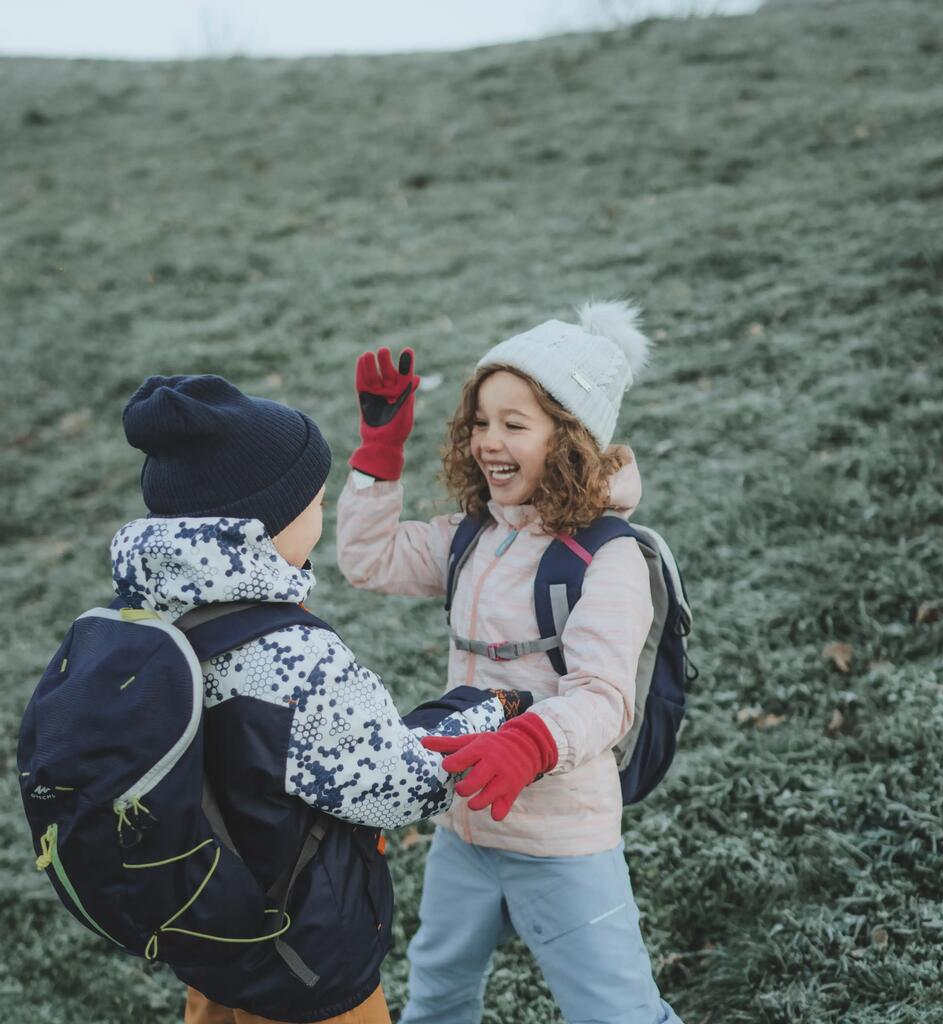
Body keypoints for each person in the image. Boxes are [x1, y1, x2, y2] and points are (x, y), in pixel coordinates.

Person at [115, 374, 532, 1024]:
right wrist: (485, 711)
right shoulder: (291, 659)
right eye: (314, 499)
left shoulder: (146, 605)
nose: (320, 511)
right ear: (263, 523)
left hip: (204, 924)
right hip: (298, 954)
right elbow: (397, 785)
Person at [336, 302, 683, 1023]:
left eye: (515, 425)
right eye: (480, 422)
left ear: (570, 440)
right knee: (437, 994)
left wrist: (527, 743)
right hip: (464, 828)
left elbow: (604, 696)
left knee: (617, 1012)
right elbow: (367, 560)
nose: (488, 441)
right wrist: (379, 453)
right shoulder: (474, 537)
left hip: (561, 836)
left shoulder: (607, 557)